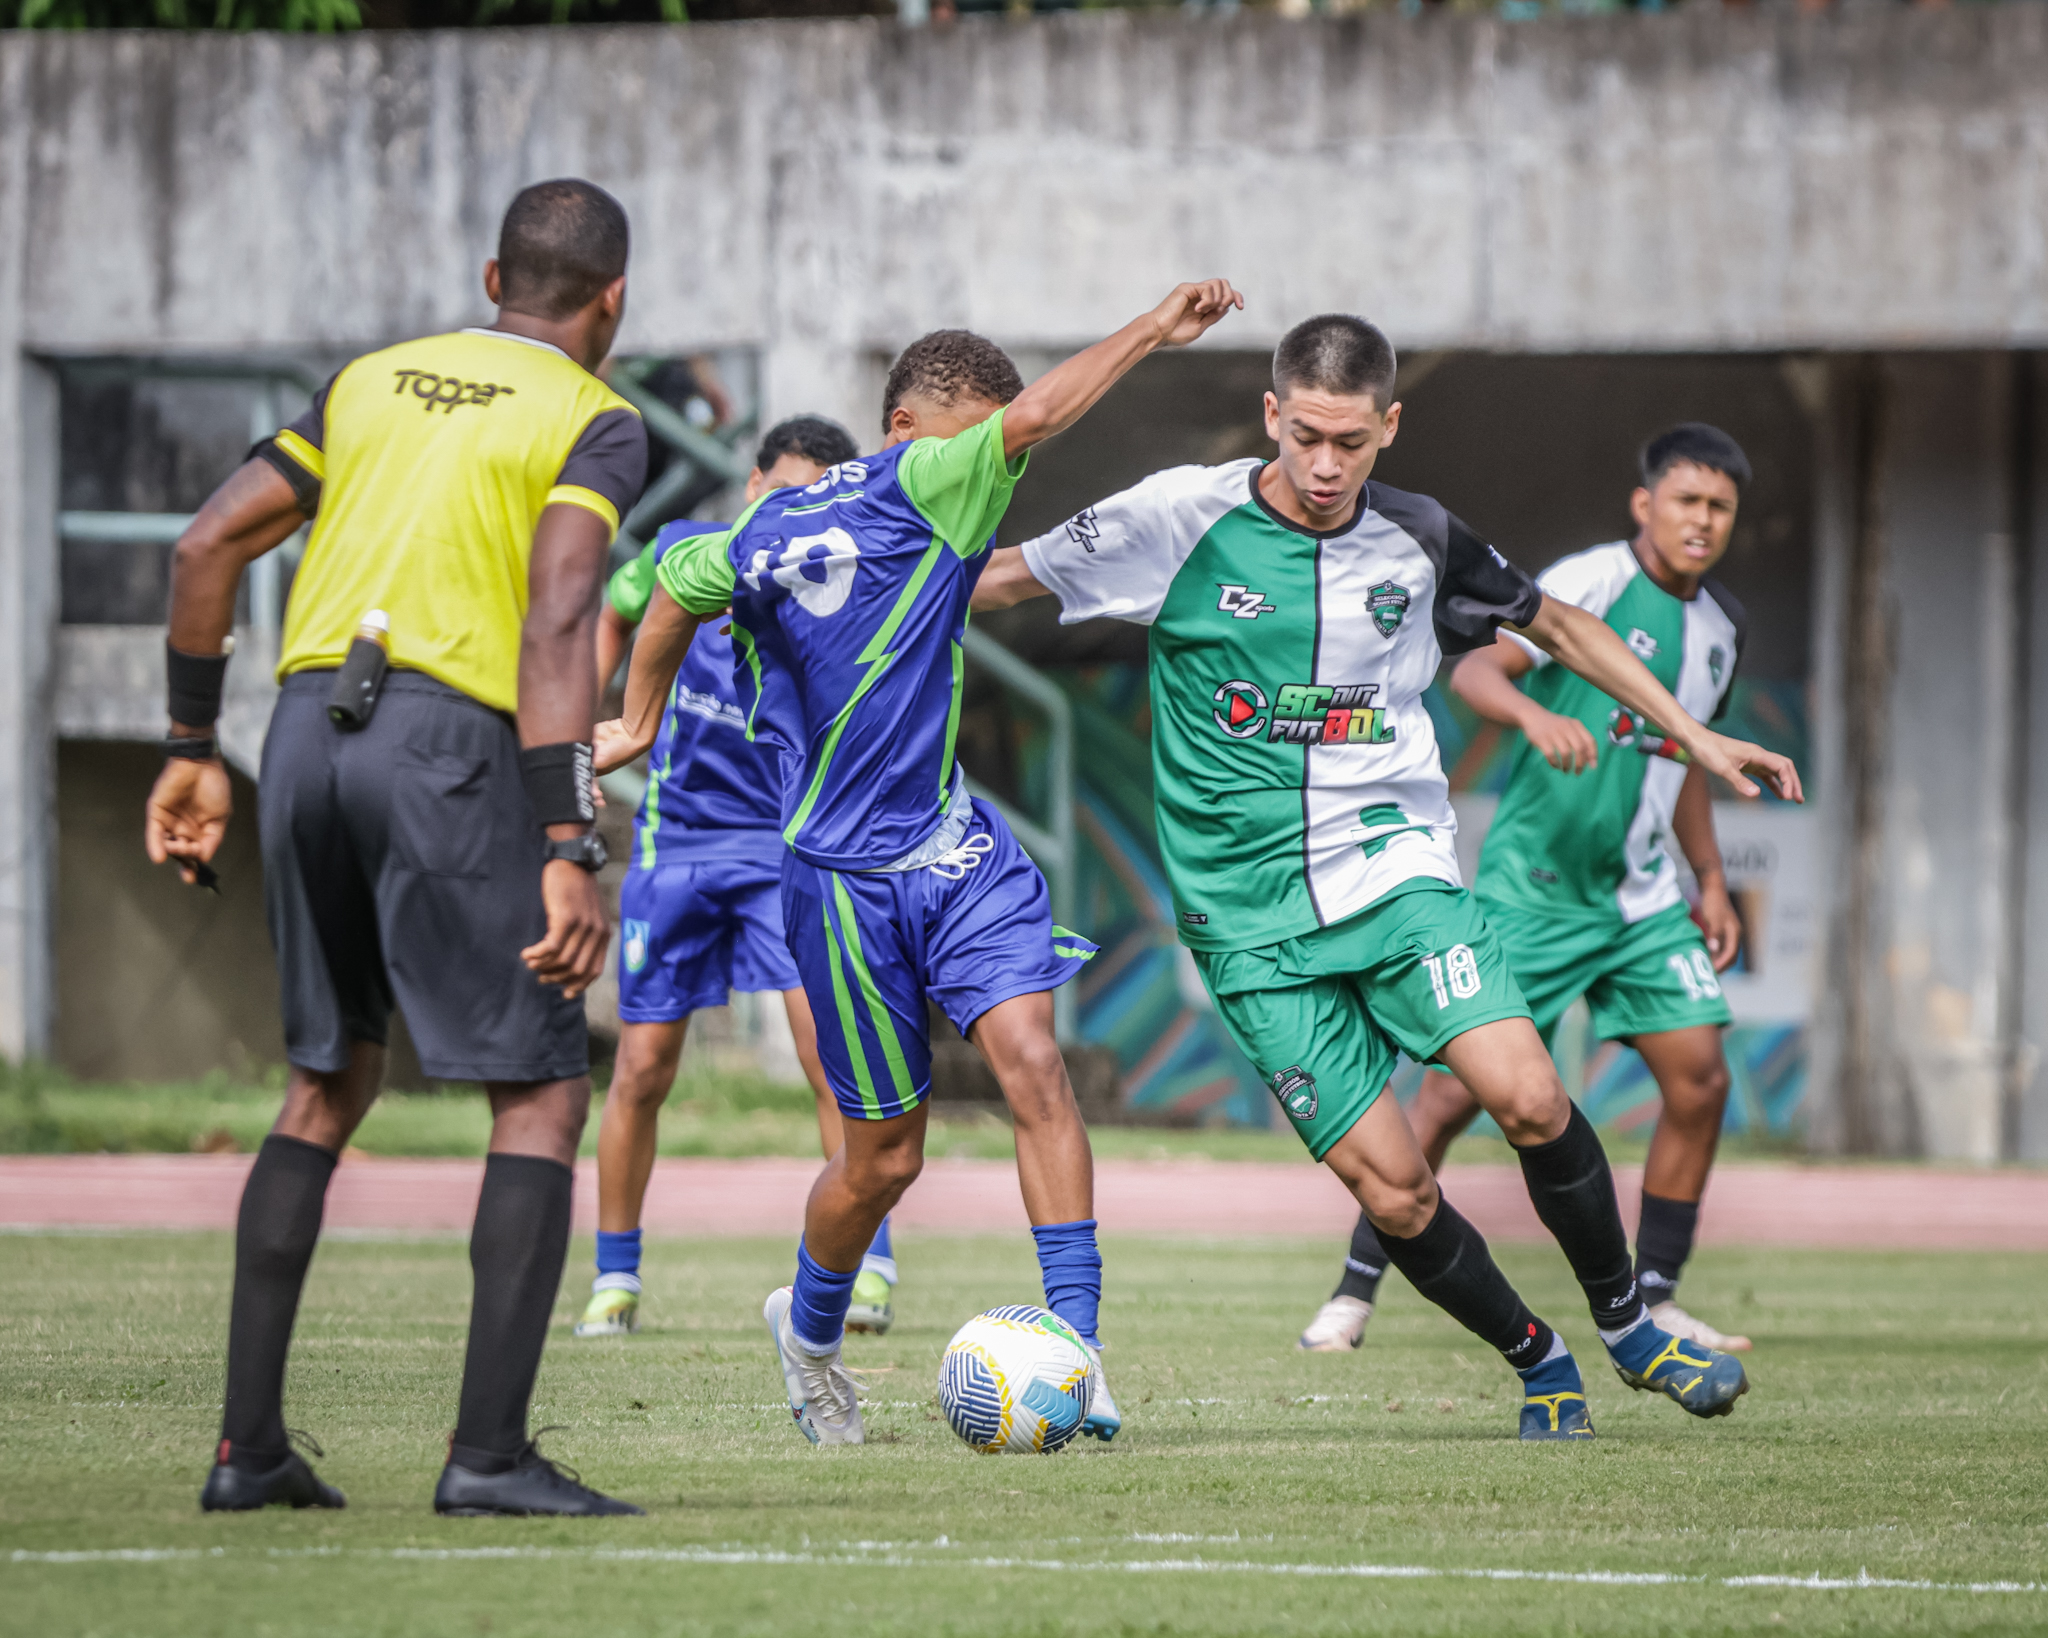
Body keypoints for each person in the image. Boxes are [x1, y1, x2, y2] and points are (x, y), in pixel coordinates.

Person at [974, 314, 1803, 1440]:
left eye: (1350, 444)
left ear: (1387, 429)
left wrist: (1694, 739)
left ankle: (1625, 1324)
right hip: (1247, 928)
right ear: (1270, 414)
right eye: (1306, 436)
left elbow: (1553, 625)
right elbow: (997, 579)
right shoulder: (1177, 517)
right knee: (1396, 1189)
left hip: (1393, 877)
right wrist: (820, 582)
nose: (1324, 467)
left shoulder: (1419, 538)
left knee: (1526, 1094)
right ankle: (1538, 1356)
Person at [597, 279, 1246, 1445]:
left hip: (951, 845)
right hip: (838, 883)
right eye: (979, 443)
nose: (994, 477)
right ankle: (805, 1339)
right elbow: (1038, 417)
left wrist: (636, 717)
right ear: (917, 425)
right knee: (882, 1161)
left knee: (1031, 1064)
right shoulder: (929, 473)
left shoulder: (755, 530)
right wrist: (1151, 326)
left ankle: (1078, 1350)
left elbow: (665, 597)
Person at [144, 179, 646, 1516]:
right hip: (451, 747)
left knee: (325, 1078)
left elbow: (205, 545)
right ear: (612, 302)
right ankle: (487, 1455)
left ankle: (247, 1452)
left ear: (493, 282)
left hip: (302, 731)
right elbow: (555, 619)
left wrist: (194, 746)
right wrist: (567, 837)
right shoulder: (595, 419)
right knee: (539, 1094)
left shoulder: (368, 383)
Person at [1298, 425, 1760, 1357]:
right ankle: (1353, 1293)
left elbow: (1687, 759)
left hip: (1636, 899)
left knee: (1701, 1076)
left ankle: (1658, 1294)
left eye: (1719, 507)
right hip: (1532, 891)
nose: (1701, 521)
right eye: (1686, 501)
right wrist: (1539, 713)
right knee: (1450, 1100)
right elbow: (1476, 668)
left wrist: (1708, 878)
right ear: (1647, 505)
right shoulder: (1590, 582)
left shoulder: (1721, 633)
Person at [574, 414, 908, 1341]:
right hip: (675, 847)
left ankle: (869, 1264)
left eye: (815, 499)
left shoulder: (828, 581)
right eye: (782, 492)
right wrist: (590, 704)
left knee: (824, 1056)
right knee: (641, 1068)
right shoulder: (685, 552)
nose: (793, 511)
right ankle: (614, 1279)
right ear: (753, 485)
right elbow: (613, 603)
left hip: (781, 851)